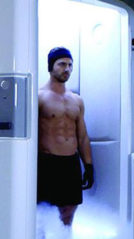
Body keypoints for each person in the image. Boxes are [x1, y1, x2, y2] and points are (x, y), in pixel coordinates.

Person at [37, 47, 94, 226]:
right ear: (51, 67)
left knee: (69, 212)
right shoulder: (39, 97)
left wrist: (89, 165)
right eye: (62, 64)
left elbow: (83, 136)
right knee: (42, 212)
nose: (67, 69)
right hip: (47, 161)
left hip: (70, 163)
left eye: (70, 65)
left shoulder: (77, 100)